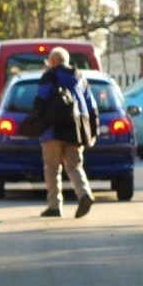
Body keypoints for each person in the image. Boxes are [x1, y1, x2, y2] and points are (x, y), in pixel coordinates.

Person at [34, 46, 98, 218]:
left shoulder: (49, 76)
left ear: (53, 61)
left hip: (52, 130)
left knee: (52, 168)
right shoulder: (79, 77)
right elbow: (91, 106)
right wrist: (92, 131)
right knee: (75, 165)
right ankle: (84, 194)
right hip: (76, 130)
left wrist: (37, 123)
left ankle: (54, 206)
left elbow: (40, 101)